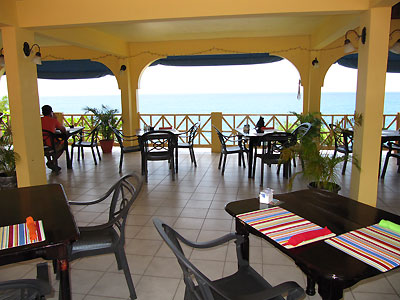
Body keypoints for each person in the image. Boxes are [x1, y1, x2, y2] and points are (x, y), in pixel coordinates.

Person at [41, 105, 66, 172]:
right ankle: (52, 161)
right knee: (64, 145)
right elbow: (63, 130)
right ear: (51, 112)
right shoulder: (53, 121)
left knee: (47, 145)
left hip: (42, 143)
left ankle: (50, 161)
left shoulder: (39, 120)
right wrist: (55, 119)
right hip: (51, 144)